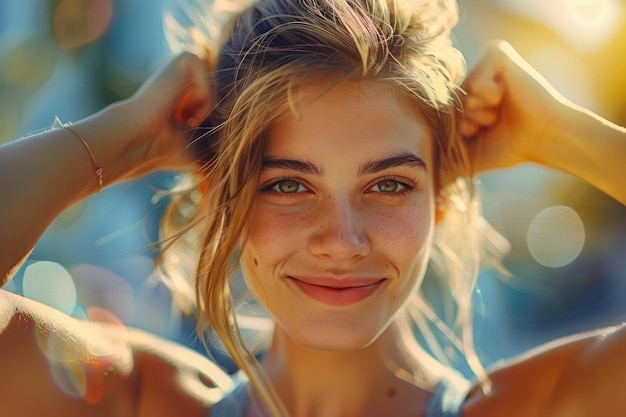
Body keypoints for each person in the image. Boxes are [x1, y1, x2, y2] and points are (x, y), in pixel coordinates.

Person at [1, 0, 625, 416]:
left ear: (440, 198)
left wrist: (560, 133)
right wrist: (125, 132)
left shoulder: (548, 405)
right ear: (223, 198)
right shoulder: (137, 401)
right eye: (288, 185)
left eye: (388, 185)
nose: (342, 240)